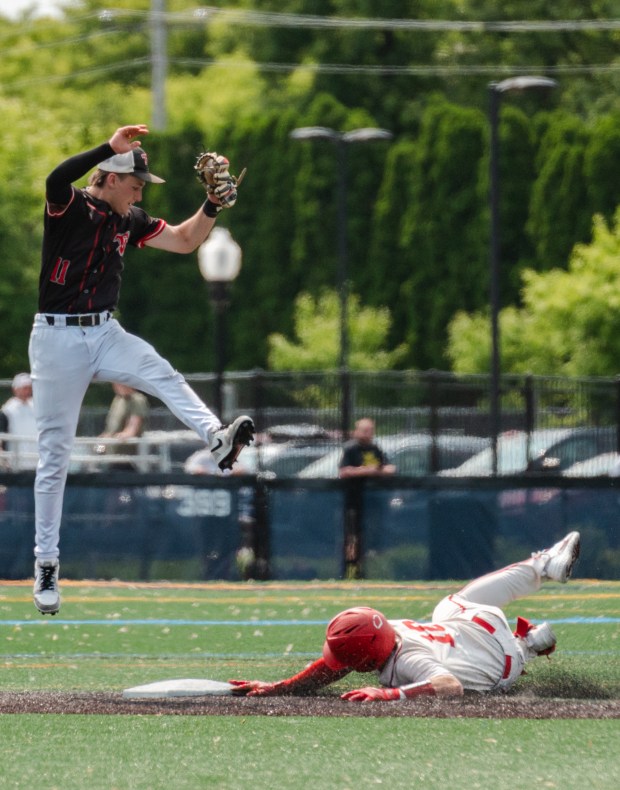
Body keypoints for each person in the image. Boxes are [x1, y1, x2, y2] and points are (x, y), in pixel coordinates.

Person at [29, 124, 255, 616]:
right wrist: (107, 147)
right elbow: (56, 176)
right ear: (109, 178)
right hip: (56, 338)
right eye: (134, 183)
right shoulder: (73, 205)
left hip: (104, 330)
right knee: (54, 456)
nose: (139, 191)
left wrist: (212, 207)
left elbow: (184, 241)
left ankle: (216, 436)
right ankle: (46, 563)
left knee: (162, 372)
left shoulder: (127, 219)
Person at [230, 531, 581, 702]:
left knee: (450, 618)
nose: (341, 663)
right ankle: (541, 567)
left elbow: (450, 686)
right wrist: (280, 688)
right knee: (449, 607)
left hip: (504, 669)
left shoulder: (406, 661)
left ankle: (530, 643)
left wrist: (390, 695)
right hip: (480, 628)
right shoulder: (389, 628)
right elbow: (335, 665)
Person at [95, 382, 150, 469]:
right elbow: (109, 430)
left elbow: (132, 428)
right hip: (110, 457)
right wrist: (99, 447)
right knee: (95, 459)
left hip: (128, 459)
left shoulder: (137, 400)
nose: (116, 385)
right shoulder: (117, 400)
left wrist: (121, 436)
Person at [0, 373, 38, 470]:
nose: (28, 391)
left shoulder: (37, 407)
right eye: (25, 388)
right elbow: (2, 435)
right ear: (15, 389)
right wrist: (4, 458)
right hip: (15, 462)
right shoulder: (7, 410)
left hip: (36, 460)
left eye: (29, 388)